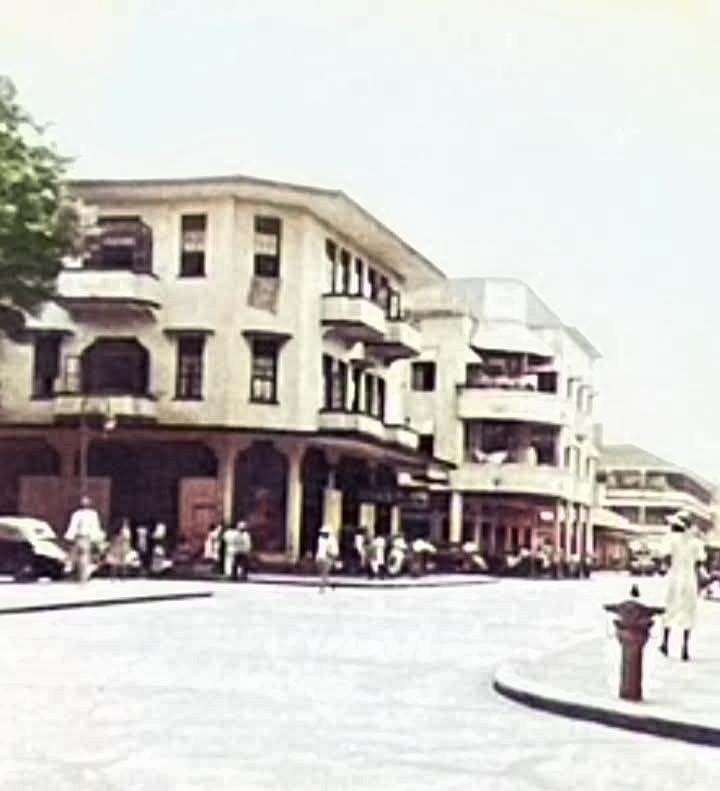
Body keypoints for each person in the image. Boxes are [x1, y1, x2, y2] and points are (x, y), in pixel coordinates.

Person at [659, 510, 707, 661]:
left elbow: (666, 559)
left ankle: (665, 643)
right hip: (690, 580)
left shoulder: (670, 539)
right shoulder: (696, 543)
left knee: (669, 609)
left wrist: (665, 567)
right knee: (688, 613)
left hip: (674, 578)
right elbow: (699, 563)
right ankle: (684, 648)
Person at [65, 496, 105, 583]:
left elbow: (73, 526)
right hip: (86, 538)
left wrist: (69, 536)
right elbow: (95, 527)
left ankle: (76, 572)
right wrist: (97, 537)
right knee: (84, 556)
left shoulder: (77, 514)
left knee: (77, 556)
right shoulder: (93, 514)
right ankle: (82, 576)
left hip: (79, 537)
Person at [316, 525, 338, 593]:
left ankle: (322, 589)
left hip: (328, 559)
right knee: (323, 574)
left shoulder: (332, 541)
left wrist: (330, 553)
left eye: (325, 533)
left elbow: (335, 551)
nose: (323, 534)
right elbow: (319, 550)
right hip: (320, 558)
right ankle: (331, 585)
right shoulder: (320, 539)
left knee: (324, 574)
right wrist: (317, 557)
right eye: (323, 533)